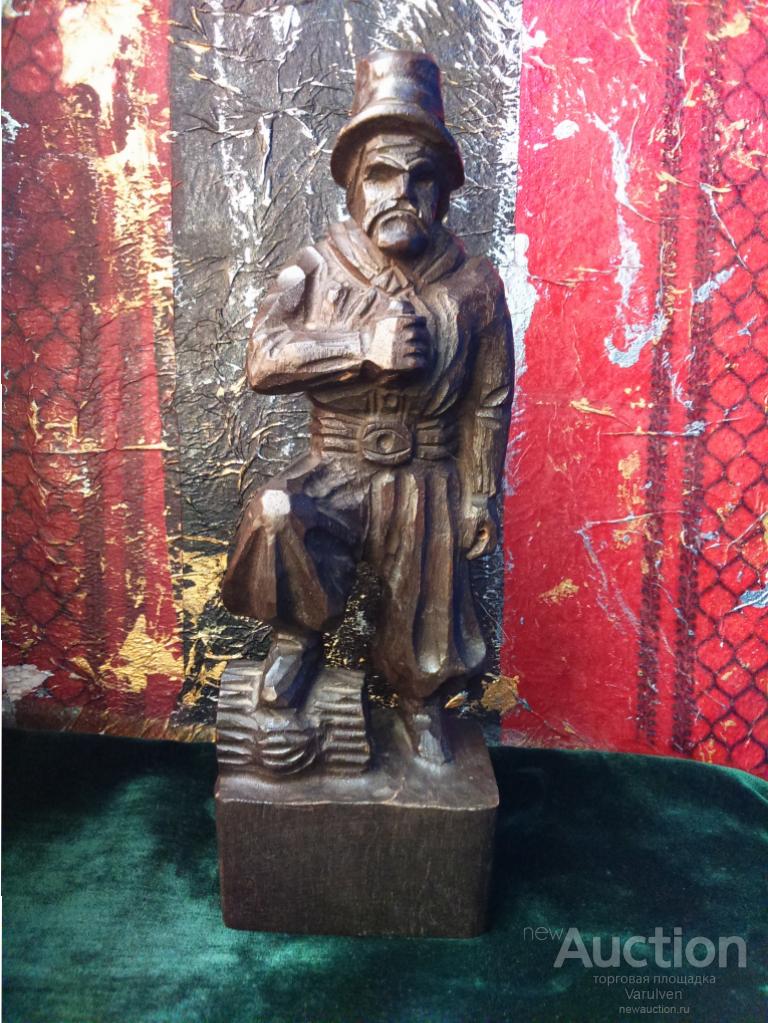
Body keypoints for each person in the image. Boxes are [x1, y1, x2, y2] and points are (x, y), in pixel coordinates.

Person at [222, 49, 514, 764]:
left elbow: (489, 398)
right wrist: (361, 345)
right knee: (278, 516)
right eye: (381, 174)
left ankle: (420, 705)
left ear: (443, 192)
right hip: (338, 462)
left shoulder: (475, 284)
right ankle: (295, 643)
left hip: (429, 470)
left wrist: (480, 494)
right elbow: (264, 360)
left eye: (422, 177)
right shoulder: (315, 268)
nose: (401, 193)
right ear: (353, 183)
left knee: (428, 604)